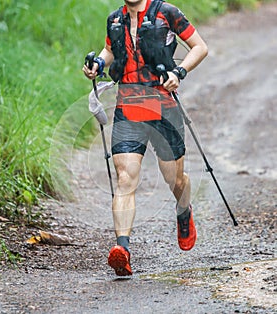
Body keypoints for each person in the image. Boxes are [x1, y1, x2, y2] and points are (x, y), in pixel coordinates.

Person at [83, 0, 208, 276]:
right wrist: (98, 64)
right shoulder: (115, 20)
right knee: (125, 178)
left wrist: (179, 72)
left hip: (163, 107)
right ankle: (122, 250)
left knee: (175, 180)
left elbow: (200, 47)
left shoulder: (168, 13)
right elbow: (109, 50)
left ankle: (183, 208)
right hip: (128, 106)